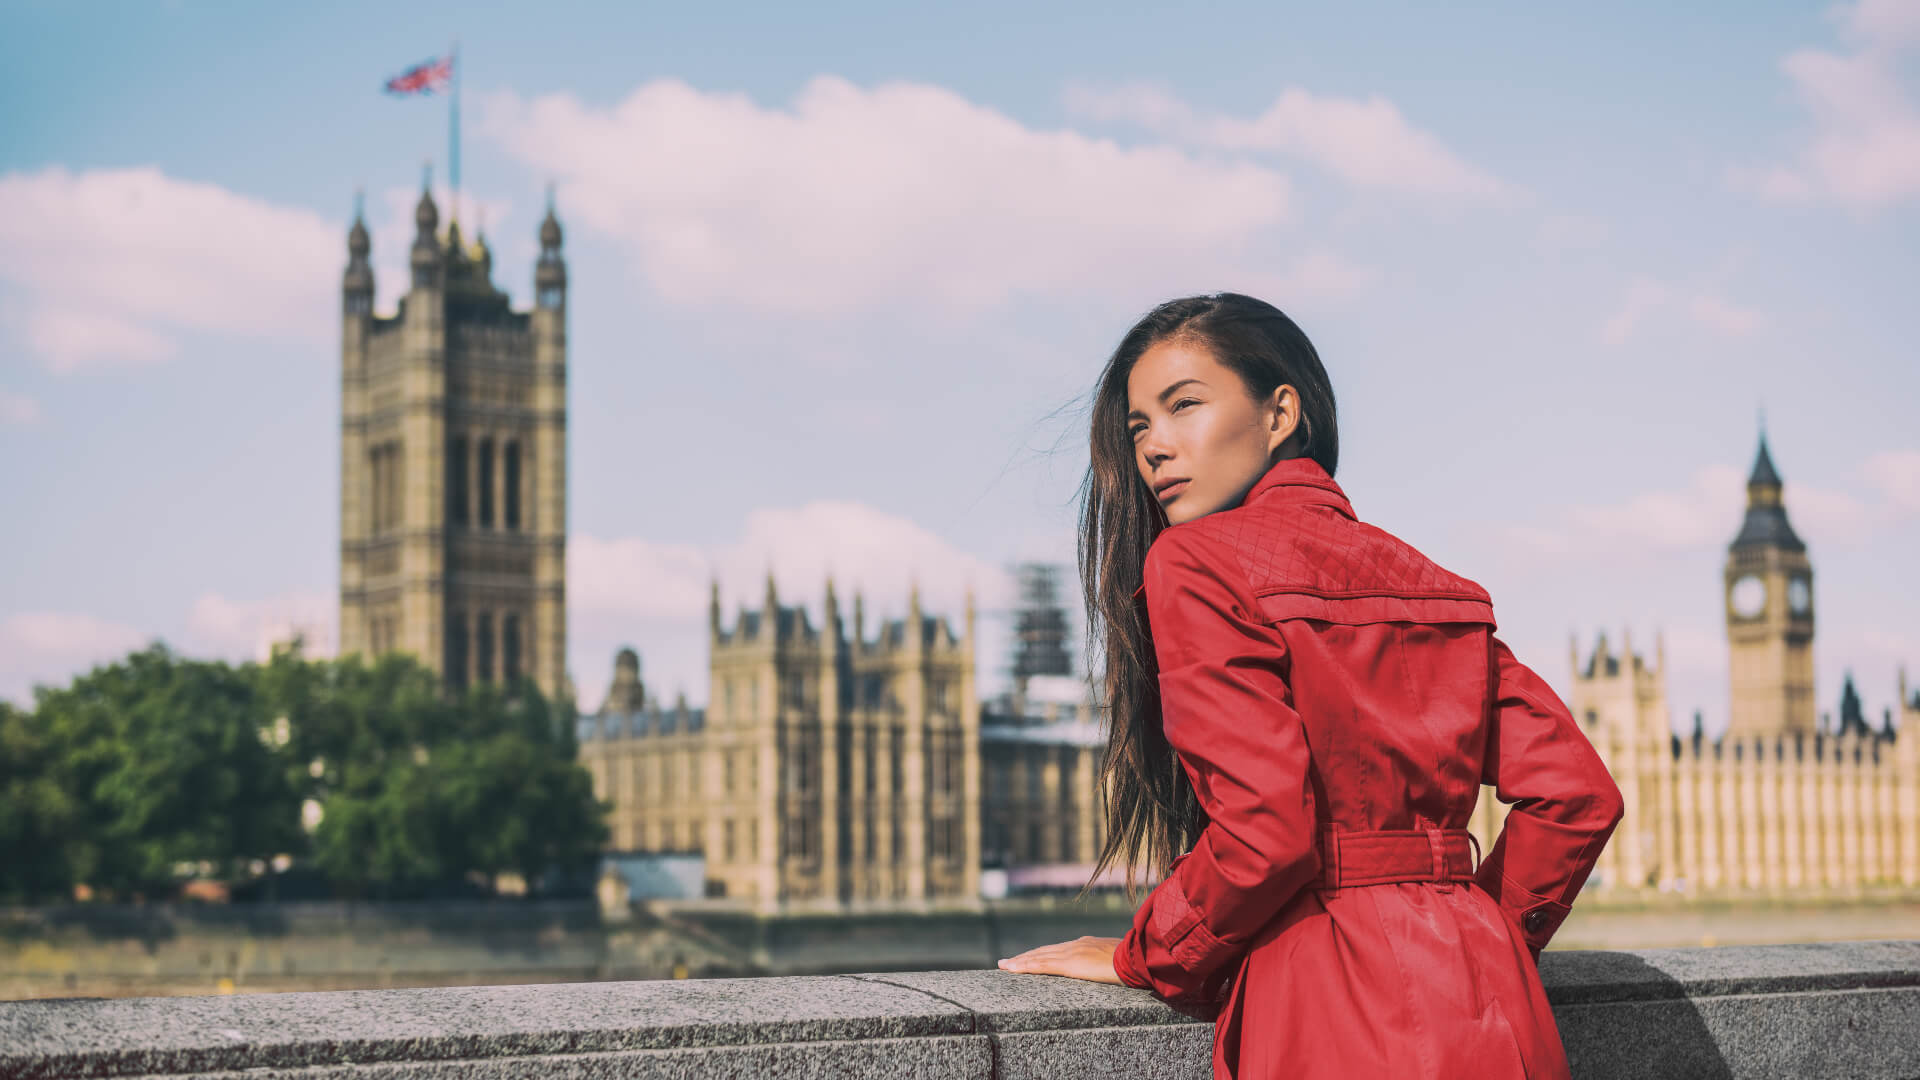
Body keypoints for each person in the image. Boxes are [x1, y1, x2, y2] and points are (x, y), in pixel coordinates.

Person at [996, 293, 1624, 1079]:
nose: (1155, 446)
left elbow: (1266, 831)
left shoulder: (1193, 562)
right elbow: (1577, 795)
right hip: (1491, 1003)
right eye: (1138, 427)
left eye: (1183, 405)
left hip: (1323, 994)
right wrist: (1490, 933)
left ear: (1280, 412)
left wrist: (1148, 954)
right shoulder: (1432, 581)